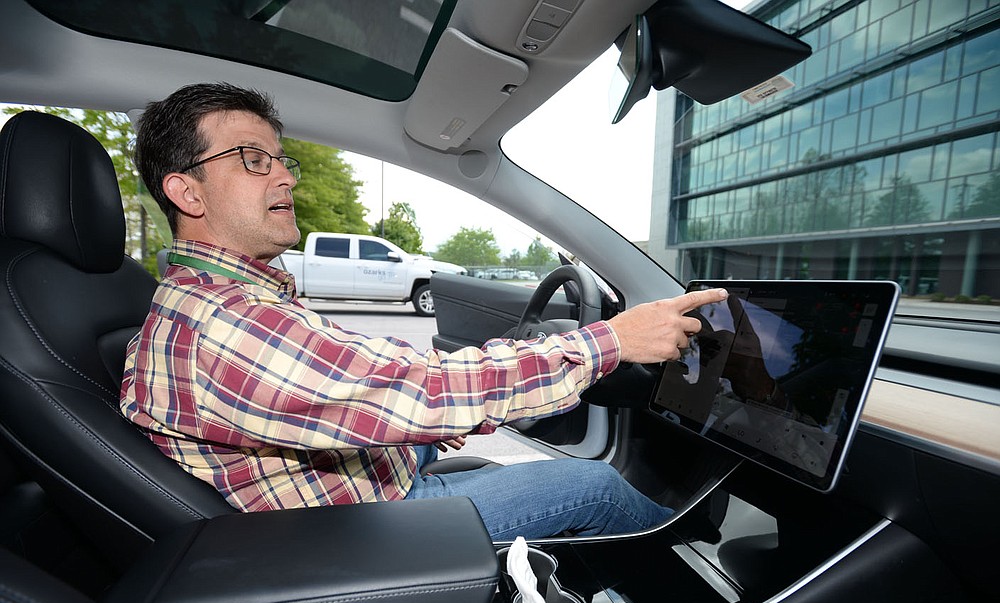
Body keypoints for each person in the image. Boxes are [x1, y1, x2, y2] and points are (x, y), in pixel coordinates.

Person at [120, 82, 728, 540]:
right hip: (358, 536)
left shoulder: (222, 302)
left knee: (478, 449)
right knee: (590, 486)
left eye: (282, 160)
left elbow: (367, 383)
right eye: (254, 159)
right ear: (186, 190)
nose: (284, 178)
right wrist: (609, 342)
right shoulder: (224, 324)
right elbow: (415, 389)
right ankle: (713, 584)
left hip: (352, 495)